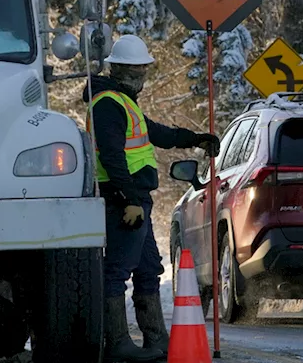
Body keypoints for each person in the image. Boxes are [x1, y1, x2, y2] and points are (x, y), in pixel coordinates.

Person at [85, 35, 220, 363]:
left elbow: (156, 133)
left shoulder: (122, 101)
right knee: (116, 269)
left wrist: (195, 139)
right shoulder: (107, 104)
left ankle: (157, 339)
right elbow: (113, 156)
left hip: (135, 198)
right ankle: (116, 341)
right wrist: (128, 198)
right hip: (123, 200)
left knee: (148, 268)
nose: (144, 75)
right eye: (140, 69)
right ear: (124, 71)